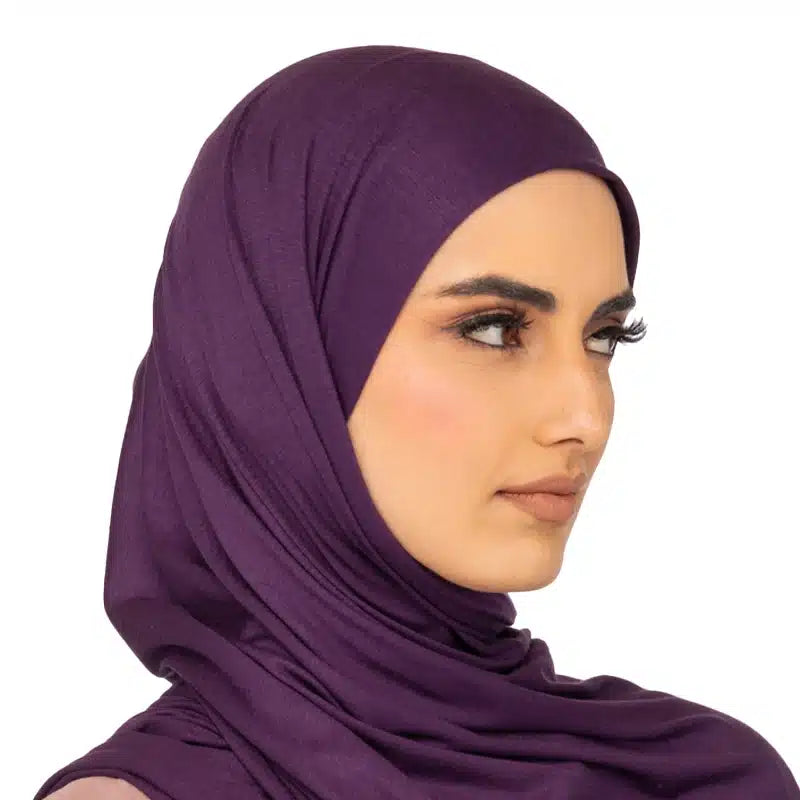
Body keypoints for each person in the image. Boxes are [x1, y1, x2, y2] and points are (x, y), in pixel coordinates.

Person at [34, 44, 799, 800]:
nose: (586, 417)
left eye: (603, 338)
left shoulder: (705, 775)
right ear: (273, 367)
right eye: (495, 329)